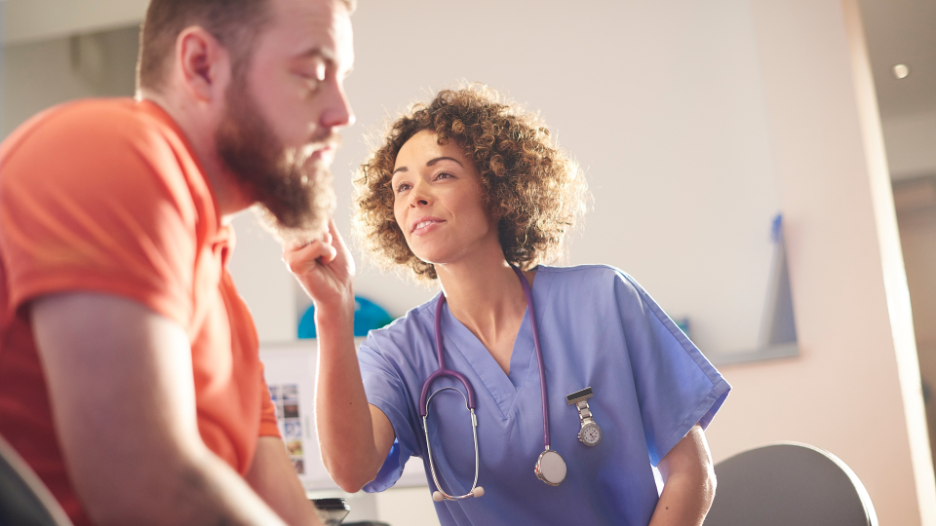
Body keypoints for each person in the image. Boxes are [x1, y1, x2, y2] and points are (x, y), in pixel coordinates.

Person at [286, 86, 731, 525]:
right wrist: (332, 310)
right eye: (401, 186)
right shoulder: (398, 353)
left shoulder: (604, 300)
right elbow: (350, 471)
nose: (415, 195)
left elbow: (692, 473)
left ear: (498, 189)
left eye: (441, 175)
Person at [0, 0, 354, 524]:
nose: (341, 113)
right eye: (312, 74)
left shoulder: (223, 300)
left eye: (341, 78)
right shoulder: (114, 147)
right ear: (201, 66)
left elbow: (281, 509)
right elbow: (144, 487)